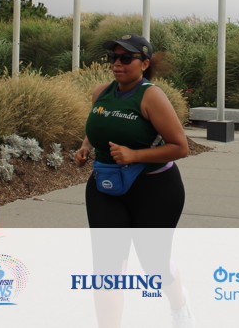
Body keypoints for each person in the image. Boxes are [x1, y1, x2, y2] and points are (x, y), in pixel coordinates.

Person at [73, 34, 194, 328]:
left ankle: (179, 306)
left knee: (154, 265)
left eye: (126, 58)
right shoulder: (101, 92)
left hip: (154, 189)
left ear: (144, 64)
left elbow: (180, 147)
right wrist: (86, 146)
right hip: (105, 186)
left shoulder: (151, 96)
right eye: (113, 58)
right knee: (107, 268)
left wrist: (134, 155)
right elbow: (99, 126)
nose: (117, 63)